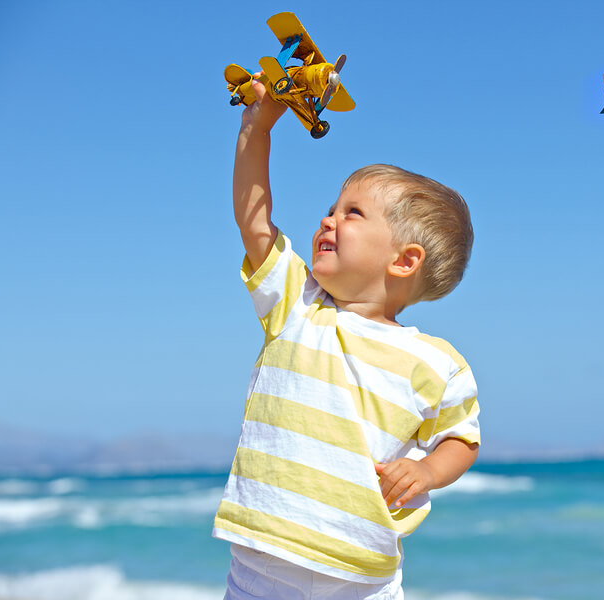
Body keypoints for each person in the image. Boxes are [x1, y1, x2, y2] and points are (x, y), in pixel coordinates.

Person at [213, 76, 481, 600]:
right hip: (260, 563)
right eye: (332, 208)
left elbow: (461, 438)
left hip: (361, 576)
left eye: (351, 213)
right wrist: (255, 131)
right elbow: (256, 225)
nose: (327, 218)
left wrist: (427, 471)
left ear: (404, 260)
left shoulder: (435, 362)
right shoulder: (297, 304)